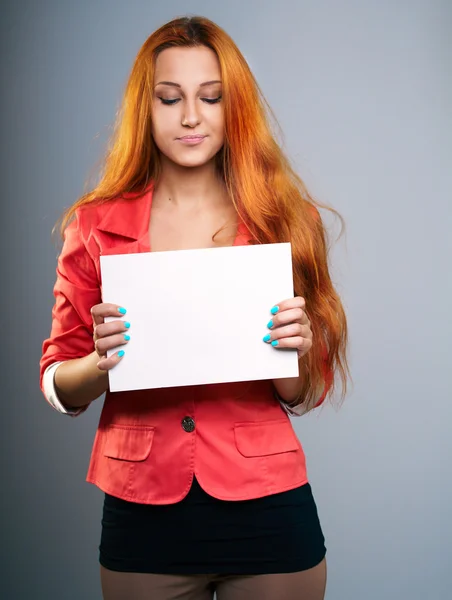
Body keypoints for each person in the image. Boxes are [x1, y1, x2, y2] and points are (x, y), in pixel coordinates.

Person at [40, 15, 349, 600]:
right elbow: (57, 381)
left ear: (235, 110)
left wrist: (298, 347)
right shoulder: (94, 227)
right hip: (142, 507)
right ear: (145, 108)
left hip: (267, 506)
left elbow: (301, 393)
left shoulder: (285, 222)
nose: (190, 117)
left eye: (211, 98)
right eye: (169, 98)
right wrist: (100, 362)